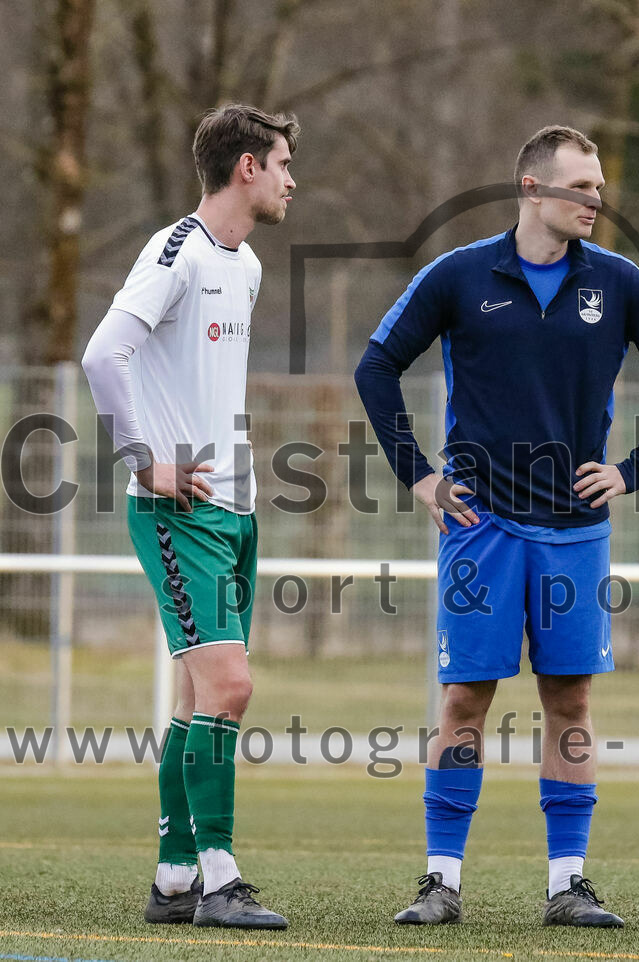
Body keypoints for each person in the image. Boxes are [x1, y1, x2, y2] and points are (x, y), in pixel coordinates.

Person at [355, 125, 639, 927]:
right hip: (480, 527)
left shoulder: (618, 283)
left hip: (576, 531)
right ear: (532, 190)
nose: (597, 200)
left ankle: (566, 885)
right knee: (464, 700)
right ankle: (441, 882)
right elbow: (376, 365)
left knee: (570, 702)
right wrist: (419, 476)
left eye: (601, 186)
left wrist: (632, 469)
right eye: (582, 187)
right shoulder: (459, 274)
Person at [81, 103, 298, 930]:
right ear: (246, 166)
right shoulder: (176, 252)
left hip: (231, 511)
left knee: (193, 698)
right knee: (231, 688)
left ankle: (173, 881)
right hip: (179, 514)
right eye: (281, 164)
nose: (291, 181)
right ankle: (220, 878)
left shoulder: (243, 266)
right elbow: (104, 354)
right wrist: (144, 460)